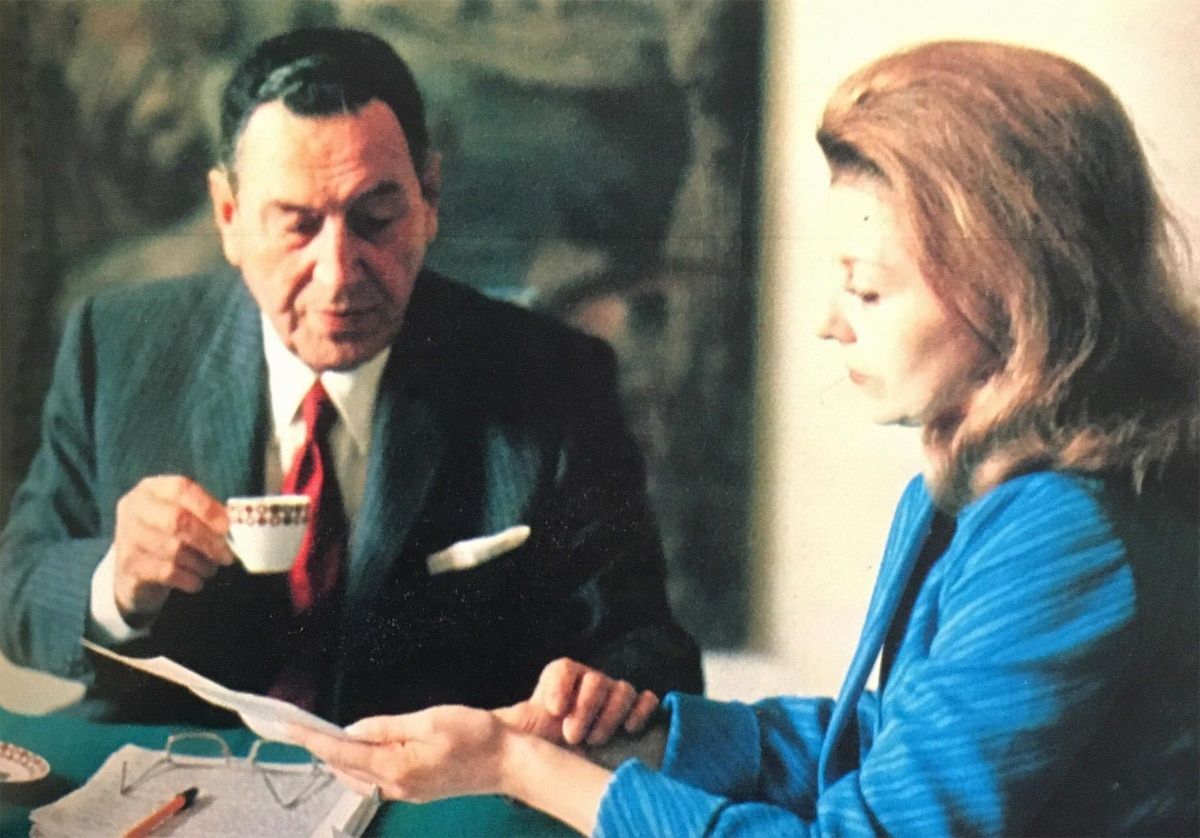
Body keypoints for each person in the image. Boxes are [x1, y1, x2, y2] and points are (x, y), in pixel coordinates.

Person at [291, 40, 1200, 836]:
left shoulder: (1066, 536)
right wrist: (641, 740)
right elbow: (889, 743)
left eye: (867, 289)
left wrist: (522, 767)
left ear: (1013, 291)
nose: (831, 324)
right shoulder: (979, 488)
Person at [0, 27, 702, 726]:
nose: (338, 276)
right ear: (229, 217)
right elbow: (16, 590)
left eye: (376, 219)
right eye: (298, 226)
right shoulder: (116, 346)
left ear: (429, 199)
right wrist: (115, 581)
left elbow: (649, 651)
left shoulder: (553, 379)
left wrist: (608, 690)